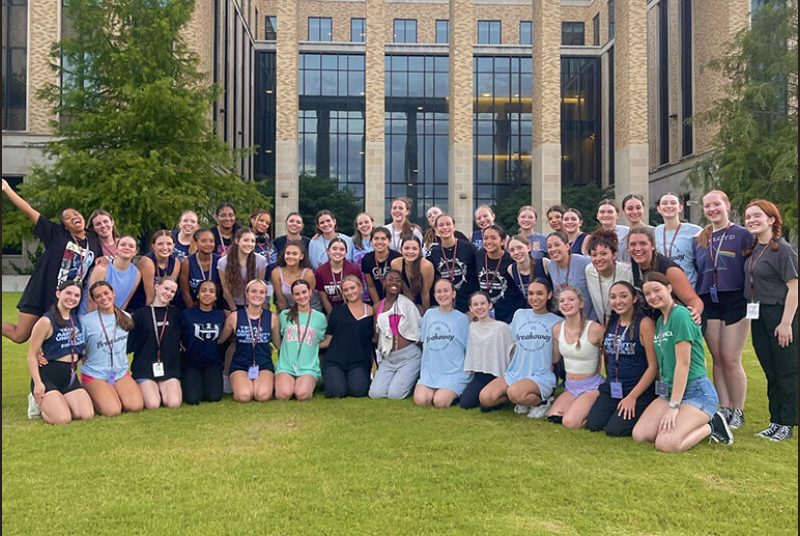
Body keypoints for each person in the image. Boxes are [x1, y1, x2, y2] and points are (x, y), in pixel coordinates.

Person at [632, 272, 734, 451]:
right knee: (640, 435)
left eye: (657, 290)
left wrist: (673, 407)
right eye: (648, 294)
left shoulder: (680, 315)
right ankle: (684, 421)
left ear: (669, 288)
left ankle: (713, 425)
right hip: (670, 390)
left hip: (695, 392)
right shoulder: (660, 321)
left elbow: (683, 364)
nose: (653, 296)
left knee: (666, 443)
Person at [2, 178, 103, 343]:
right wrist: (7, 189)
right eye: (68, 217)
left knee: (55, 340)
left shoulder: (94, 241)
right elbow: (29, 211)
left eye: (76, 214)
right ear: (64, 225)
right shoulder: (55, 234)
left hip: (67, 299)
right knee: (20, 335)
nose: (74, 217)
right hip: (41, 291)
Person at [693, 190, 753, 429]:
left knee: (730, 357)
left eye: (716, 204)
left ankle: (738, 410)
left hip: (736, 299)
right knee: (717, 357)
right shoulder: (700, 238)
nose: (712, 210)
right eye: (707, 206)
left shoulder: (743, 235)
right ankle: (725, 407)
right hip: (709, 298)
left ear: (726, 205)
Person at [743, 200, 797, 442]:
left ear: (771, 220)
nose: (751, 220)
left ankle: (787, 423)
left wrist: (786, 323)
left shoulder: (783, 251)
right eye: (748, 217)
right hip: (758, 314)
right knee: (771, 371)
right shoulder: (755, 248)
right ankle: (775, 420)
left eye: (757, 216)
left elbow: (794, 288)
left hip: (780, 315)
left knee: (787, 371)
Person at [478, 279, 561, 418]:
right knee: (485, 398)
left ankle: (542, 402)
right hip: (515, 372)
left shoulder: (557, 321)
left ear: (549, 295)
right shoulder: (520, 314)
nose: (534, 298)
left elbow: (556, 357)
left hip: (540, 375)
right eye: (531, 294)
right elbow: (510, 342)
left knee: (514, 392)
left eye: (540, 293)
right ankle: (522, 399)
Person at [586, 281, 658, 436]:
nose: (618, 301)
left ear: (634, 299)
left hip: (637, 389)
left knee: (615, 430)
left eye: (623, 296)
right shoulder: (612, 321)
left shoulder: (645, 323)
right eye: (613, 297)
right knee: (594, 424)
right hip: (614, 388)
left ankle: (647, 411)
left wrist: (632, 397)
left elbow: (653, 367)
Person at [26, 280, 94, 424]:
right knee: (63, 419)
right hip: (48, 377)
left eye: (76, 295)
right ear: (58, 293)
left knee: (86, 414)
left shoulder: (76, 320)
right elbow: (32, 354)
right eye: (68, 293)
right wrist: (38, 383)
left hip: (69, 377)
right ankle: (37, 403)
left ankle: (59, 400)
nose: (72, 298)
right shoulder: (46, 321)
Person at [80, 281, 144, 416]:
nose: (103, 298)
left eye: (106, 293)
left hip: (120, 373)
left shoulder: (126, 317)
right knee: (112, 410)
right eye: (98, 296)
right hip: (95, 374)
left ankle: (111, 392)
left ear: (113, 293)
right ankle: (91, 392)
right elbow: (77, 348)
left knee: (135, 406)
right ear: (94, 300)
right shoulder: (86, 321)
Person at [546, 287, 605, 428]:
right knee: (554, 417)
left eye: (571, 299)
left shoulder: (595, 329)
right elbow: (554, 359)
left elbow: (608, 359)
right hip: (571, 387)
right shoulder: (557, 329)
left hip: (592, 386)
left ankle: (599, 414)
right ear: (558, 306)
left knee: (569, 422)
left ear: (581, 304)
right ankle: (578, 408)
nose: (566, 303)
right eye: (562, 301)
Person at [414, 279, 472, 408]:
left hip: (454, 372)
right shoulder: (429, 315)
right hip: (431, 371)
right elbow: (424, 341)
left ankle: (452, 391)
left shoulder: (462, 319)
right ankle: (434, 389)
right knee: (421, 400)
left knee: (440, 401)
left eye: (446, 290)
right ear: (434, 295)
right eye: (438, 291)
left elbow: (468, 349)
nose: (442, 294)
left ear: (453, 293)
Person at [221, 279, 280, 403]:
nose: (257, 295)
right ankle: (240, 383)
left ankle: (260, 383)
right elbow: (221, 340)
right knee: (244, 396)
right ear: (247, 294)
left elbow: (278, 344)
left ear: (265, 296)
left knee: (262, 395)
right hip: (240, 365)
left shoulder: (272, 318)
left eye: (262, 292)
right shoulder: (234, 317)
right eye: (253, 291)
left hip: (263, 364)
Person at [628, 226, 703, 323]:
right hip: (655, 321)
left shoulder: (669, 269)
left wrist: (694, 313)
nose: (637, 248)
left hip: (678, 321)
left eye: (643, 243)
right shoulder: (631, 265)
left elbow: (694, 300)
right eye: (633, 244)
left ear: (653, 246)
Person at [128, 277, 183, 409]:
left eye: (172, 291)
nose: (168, 293)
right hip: (145, 369)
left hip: (169, 369)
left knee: (173, 403)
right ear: (157, 287)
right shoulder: (140, 314)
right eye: (166, 288)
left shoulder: (176, 314)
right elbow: (130, 344)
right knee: (153, 404)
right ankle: (144, 387)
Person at [369, 270, 423, 399]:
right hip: (389, 357)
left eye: (398, 280)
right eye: (391, 279)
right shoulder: (378, 306)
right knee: (375, 394)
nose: (394, 282)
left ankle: (410, 379)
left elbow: (417, 330)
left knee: (395, 395)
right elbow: (377, 334)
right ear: (383, 282)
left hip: (409, 356)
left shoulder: (407, 304)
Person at [319, 276, 374, 398]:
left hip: (359, 362)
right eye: (346, 290)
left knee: (358, 391)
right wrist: (308, 345)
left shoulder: (372, 312)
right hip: (335, 361)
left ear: (360, 288)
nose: (350, 292)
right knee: (337, 392)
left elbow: (373, 341)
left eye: (352, 288)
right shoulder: (337, 311)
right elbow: (328, 340)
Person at [276, 279, 328, 401]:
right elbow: (277, 338)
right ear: (293, 296)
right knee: (283, 395)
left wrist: (313, 346)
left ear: (310, 292)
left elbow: (326, 340)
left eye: (304, 292)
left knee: (302, 394)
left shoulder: (320, 318)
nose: (301, 296)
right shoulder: (284, 315)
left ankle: (307, 383)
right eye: (297, 294)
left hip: (308, 367)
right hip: (286, 366)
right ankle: (285, 382)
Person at [460, 291, 513, 410]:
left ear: (490, 305)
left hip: (497, 374)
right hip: (480, 375)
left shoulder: (502, 328)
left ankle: (507, 397)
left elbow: (512, 351)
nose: (479, 307)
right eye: (475, 304)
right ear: (471, 308)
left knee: (485, 407)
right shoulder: (472, 327)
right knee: (466, 403)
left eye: (483, 303)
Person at [180, 279, 227, 405]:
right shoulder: (186, 315)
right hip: (191, 363)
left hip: (213, 363)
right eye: (203, 290)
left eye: (212, 291)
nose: (207, 294)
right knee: (193, 398)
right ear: (197, 294)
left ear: (216, 297)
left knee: (214, 396)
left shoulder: (221, 315)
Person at [425, 213, 479, 313]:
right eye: (441, 225)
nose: (445, 227)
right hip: (445, 306)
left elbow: (478, 276)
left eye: (448, 224)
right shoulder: (433, 253)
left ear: (454, 227)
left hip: (468, 306)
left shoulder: (469, 248)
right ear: (436, 230)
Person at [80, 235, 141, 314]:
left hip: (112, 317)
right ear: (116, 249)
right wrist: (96, 321)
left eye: (131, 246)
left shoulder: (137, 274)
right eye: (123, 245)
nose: (127, 247)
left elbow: (125, 301)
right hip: (89, 314)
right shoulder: (102, 268)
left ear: (135, 252)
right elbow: (91, 299)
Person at [476, 225, 525, 323]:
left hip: (509, 315)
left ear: (502, 241)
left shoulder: (511, 260)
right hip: (485, 314)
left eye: (493, 238)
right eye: (485, 238)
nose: (488, 241)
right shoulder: (479, 255)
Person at [543, 231, 596, 321]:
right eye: (549, 247)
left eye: (557, 245)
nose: (553, 249)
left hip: (590, 320)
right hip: (568, 321)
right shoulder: (550, 266)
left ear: (567, 246)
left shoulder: (584, 262)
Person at [584, 229, 633, 324]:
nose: (598, 259)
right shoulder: (589, 271)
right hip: (603, 326)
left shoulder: (627, 272)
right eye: (594, 255)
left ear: (614, 254)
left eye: (604, 254)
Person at [654, 193, 703, 287]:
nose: (669, 206)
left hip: (690, 286)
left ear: (680, 207)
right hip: (665, 289)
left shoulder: (695, 230)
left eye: (673, 203)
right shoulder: (656, 231)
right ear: (659, 208)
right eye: (664, 203)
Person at [218, 227, 269, 311]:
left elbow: (260, 285)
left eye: (252, 241)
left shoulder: (261, 260)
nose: (249, 244)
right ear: (237, 241)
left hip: (252, 304)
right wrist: (234, 309)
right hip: (230, 305)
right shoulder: (223, 262)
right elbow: (226, 288)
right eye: (246, 240)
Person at [129, 230, 181, 311]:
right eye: (160, 244)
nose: (165, 247)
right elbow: (150, 297)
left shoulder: (176, 263)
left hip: (161, 303)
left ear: (174, 245)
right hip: (142, 304)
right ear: (153, 246)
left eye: (169, 244)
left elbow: (169, 292)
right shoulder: (147, 262)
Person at [270, 240, 321, 313]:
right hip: (287, 310)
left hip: (310, 308)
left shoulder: (308, 274)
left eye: (294, 254)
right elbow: (281, 301)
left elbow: (309, 299)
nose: (291, 256)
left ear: (301, 256)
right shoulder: (276, 273)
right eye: (288, 253)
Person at [315, 238, 362, 314]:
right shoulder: (320, 271)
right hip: (331, 311)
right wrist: (332, 315)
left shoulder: (354, 269)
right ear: (328, 251)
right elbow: (323, 298)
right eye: (334, 249)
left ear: (346, 252)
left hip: (352, 310)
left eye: (342, 249)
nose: (338, 252)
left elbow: (358, 292)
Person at [179, 228, 221, 309]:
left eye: (211, 241)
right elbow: (185, 292)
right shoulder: (187, 262)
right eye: (203, 241)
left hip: (215, 308)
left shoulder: (219, 261)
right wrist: (193, 311)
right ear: (196, 243)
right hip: (191, 306)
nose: (208, 244)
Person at [390, 236, 435, 312]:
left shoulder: (426, 266)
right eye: (406, 248)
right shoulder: (395, 263)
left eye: (414, 249)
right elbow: (404, 290)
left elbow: (425, 294)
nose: (410, 252)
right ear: (401, 249)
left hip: (425, 303)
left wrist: (425, 316)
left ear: (420, 250)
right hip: (407, 301)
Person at [361, 227, 402, 305]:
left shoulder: (397, 257)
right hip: (377, 298)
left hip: (397, 298)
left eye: (383, 239)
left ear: (389, 241)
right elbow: (371, 286)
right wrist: (378, 304)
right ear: (371, 241)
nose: (379, 242)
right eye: (376, 238)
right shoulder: (367, 259)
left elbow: (401, 283)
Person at [506, 234, 547, 303]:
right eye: (512, 250)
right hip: (526, 310)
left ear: (529, 247)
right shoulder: (511, 270)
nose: (516, 252)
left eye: (519, 248)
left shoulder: (544, 263)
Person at [351, 212, 375, 302]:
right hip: (359, 285)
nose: (364, 225)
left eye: (366, 222)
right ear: (357, 227)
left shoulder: (379, 239)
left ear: (372, 223)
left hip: (377, 283)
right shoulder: (352, 242)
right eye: (360, 223)